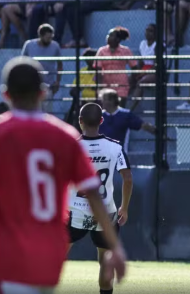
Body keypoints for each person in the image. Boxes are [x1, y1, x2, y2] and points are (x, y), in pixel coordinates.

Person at [0, 57, 127, 294]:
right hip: (49, 247)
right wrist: (115, 245)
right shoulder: (65, 136)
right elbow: (93, 192)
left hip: (9, 248)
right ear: (43, 92)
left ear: (5, 94)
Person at [68, 103, 133, 294]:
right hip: (106, 212)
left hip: (74, 211)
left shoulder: (71, 147)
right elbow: (128, 178)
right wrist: (124, 207)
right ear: (101, 121)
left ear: (80, 121)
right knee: (105, 263)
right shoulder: (115, 147)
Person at [21, 24, 63, 112]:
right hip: (32, 84)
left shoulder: (55, 46)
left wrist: (58, 81)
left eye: (51, 37)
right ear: (40, 36)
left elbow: (60, 64)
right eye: (47, 38)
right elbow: (23, 62)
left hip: (48, 84)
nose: (49, 40)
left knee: (47, 112)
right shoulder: (29, 45)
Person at [94, 26, 137, 103]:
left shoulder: (125, 51)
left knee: (120, 109)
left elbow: (134, 66)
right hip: (106, 84)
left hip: (121, 84)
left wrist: (131, 82)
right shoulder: (101, 51)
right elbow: (98, 69)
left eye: (111, 35)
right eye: (108, 35)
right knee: (106, 110)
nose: (108, 37)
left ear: (118, 39)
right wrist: (100, 87)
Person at [129, 24, 156, 112]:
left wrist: (144, 72)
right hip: (144, 68)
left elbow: (157, 65)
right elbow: (141, 61)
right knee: (129, 80)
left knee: (141, 82)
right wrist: (137, 71)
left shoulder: (158, 45)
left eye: (151, 31)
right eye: (147, 30)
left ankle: (131, 109)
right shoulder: (143, 43)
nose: (148, 33)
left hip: (154, 71)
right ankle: (120, 105)